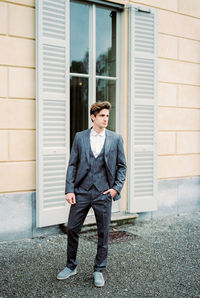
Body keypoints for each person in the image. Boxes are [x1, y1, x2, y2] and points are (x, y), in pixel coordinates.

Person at [57, 101, 127, 287]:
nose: (106, 119)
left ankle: (99, 269)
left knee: (103, 232)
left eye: (107, 116)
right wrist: (70, 189)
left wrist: (116, 189)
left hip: (104, 193)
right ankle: (71, 266)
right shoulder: (80, 137)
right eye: (102, 115)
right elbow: (72, 165)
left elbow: (122, 167)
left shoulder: (115, 139)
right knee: (72, 228)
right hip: (81, 191)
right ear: (93, 117)